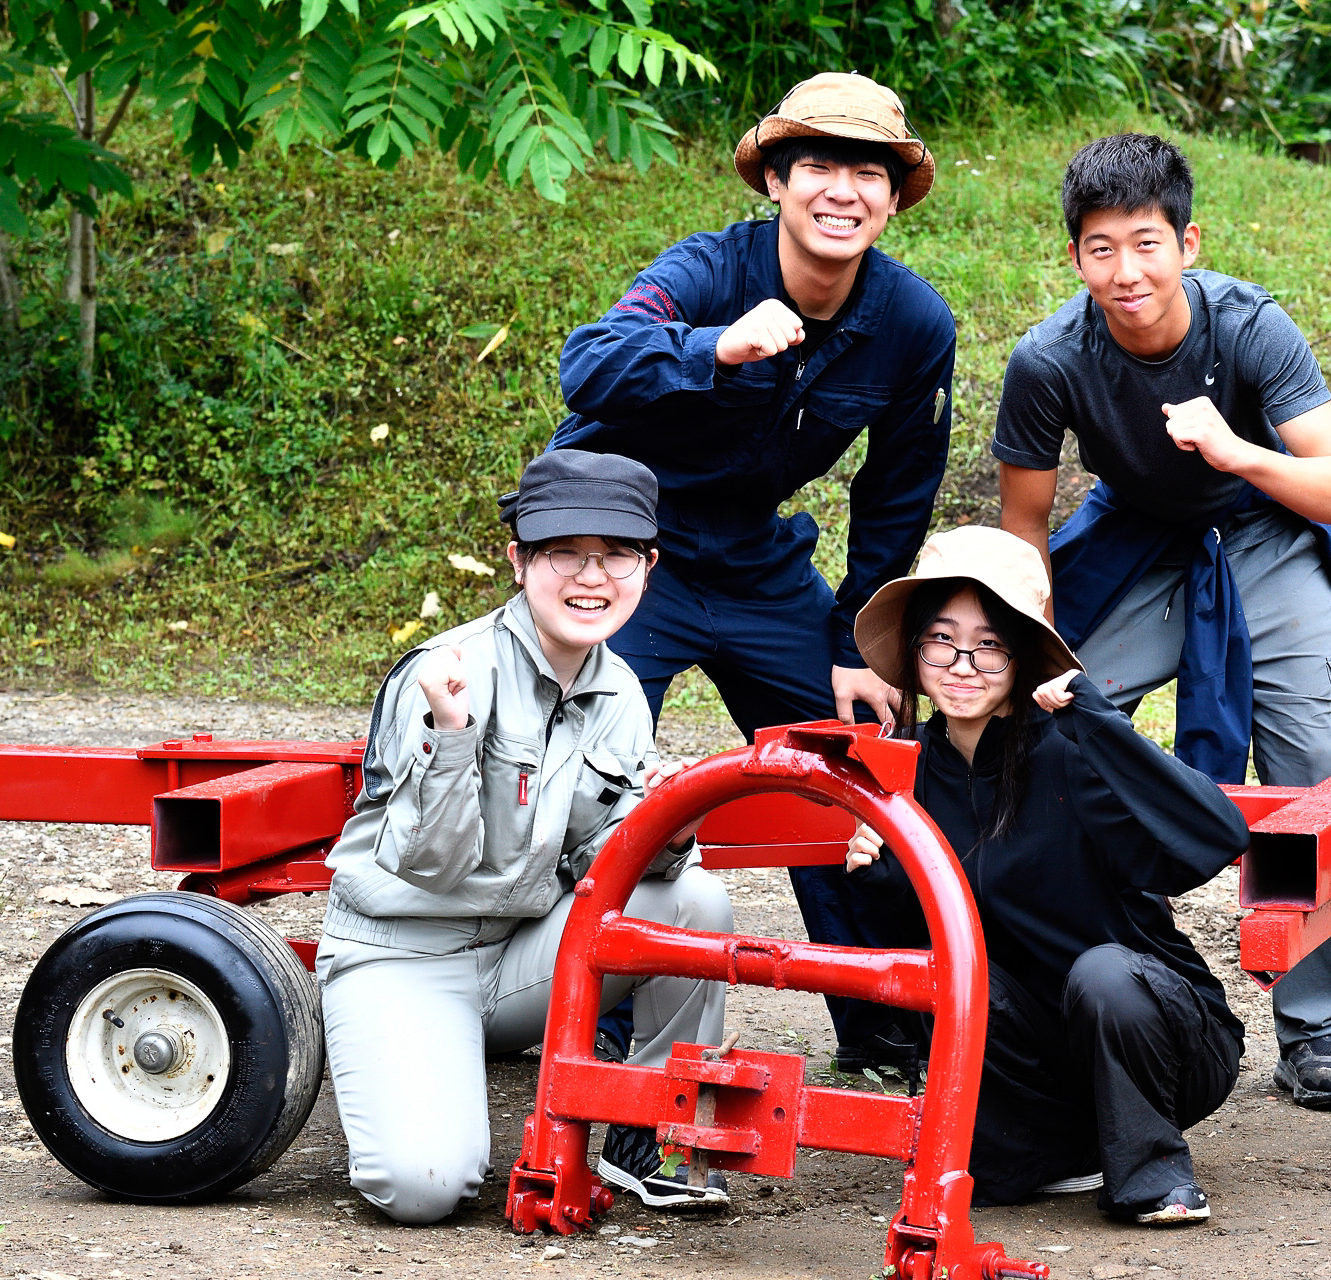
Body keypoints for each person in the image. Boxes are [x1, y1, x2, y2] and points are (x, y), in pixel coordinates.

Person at [548, 72, 956, 1076]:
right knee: (593, 770)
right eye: (818, 163)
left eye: (869, 170)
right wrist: (710, 346)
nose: (842, 190)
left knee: (844, 769)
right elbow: (589, 364)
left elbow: (898, 492)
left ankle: (881, 1022)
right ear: (776, 177)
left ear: (895, 197)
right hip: (630, 550)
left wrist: (857, 637)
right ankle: (588, 1023)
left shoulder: (913, 325)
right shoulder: (702, 273)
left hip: (759, 560)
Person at [994, 133, 1331, 1110]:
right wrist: (1041, 649)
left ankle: (1315, 1030)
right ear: (1074, 255)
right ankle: (1082, 980)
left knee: (1308, 768)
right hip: (1138, 540)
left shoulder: (1251, 328)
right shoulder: (1049, 358)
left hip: (1269, 533)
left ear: (1188, 242)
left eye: (1146, 242)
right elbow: (1024, 524)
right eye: (1100, 248)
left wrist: (1236, 450)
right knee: (1056, 721)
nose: (1125, 271)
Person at [316, 450, 735, 1223]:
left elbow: (600, 864)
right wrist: (452, 733)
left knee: (695, 899)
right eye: (563, 552)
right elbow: (432, 864)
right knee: (423, 1188)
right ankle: (388, 1046)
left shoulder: (619, 695)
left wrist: (670, 823)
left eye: (615, 555)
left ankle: (650, 1138)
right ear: (517, 561)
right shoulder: (448, 672)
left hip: (516, 956)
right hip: (404, 953)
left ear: (648, 566)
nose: (591, 576)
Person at [842, 526, 1249, 1223]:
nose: (962, 663)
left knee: (1103, 974)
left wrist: (1100, 718)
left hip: (1157, 1039)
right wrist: (880, 878)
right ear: (915, 651)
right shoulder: (903, 776)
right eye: (941, 639)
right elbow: (916, 954)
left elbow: (1216, 838)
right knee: (951, 977)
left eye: (990, 643)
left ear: (1024, 654)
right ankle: (1055, 1151)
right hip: (1031, 1064)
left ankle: (1152, 1172)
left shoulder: (1072, 749)